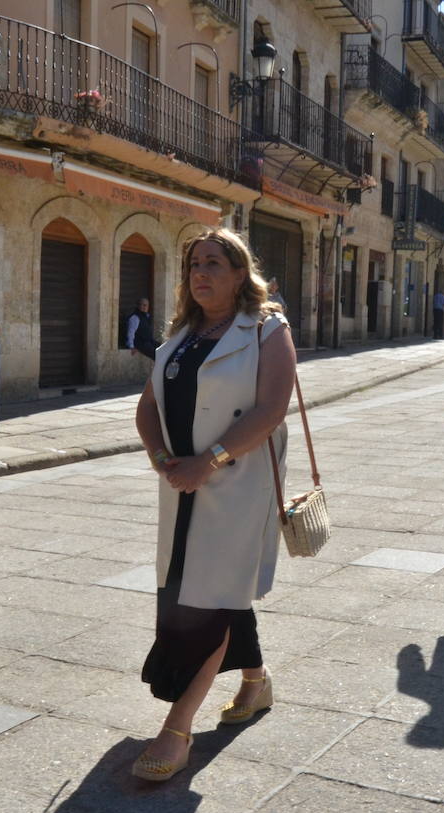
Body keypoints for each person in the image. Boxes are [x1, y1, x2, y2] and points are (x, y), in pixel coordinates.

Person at [131, 228, 296, 781]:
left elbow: (272, 408)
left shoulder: (266, 330)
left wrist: (213, 459)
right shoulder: (180, 333)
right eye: (194, 264)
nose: (201, 273)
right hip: (182, 486)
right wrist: (160, 454)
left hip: (237, 485)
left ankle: (177, 729)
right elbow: (148, 405)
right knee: (203, 589)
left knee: (207, 600)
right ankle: (256, 680)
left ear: (238, 272)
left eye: (214, 263)